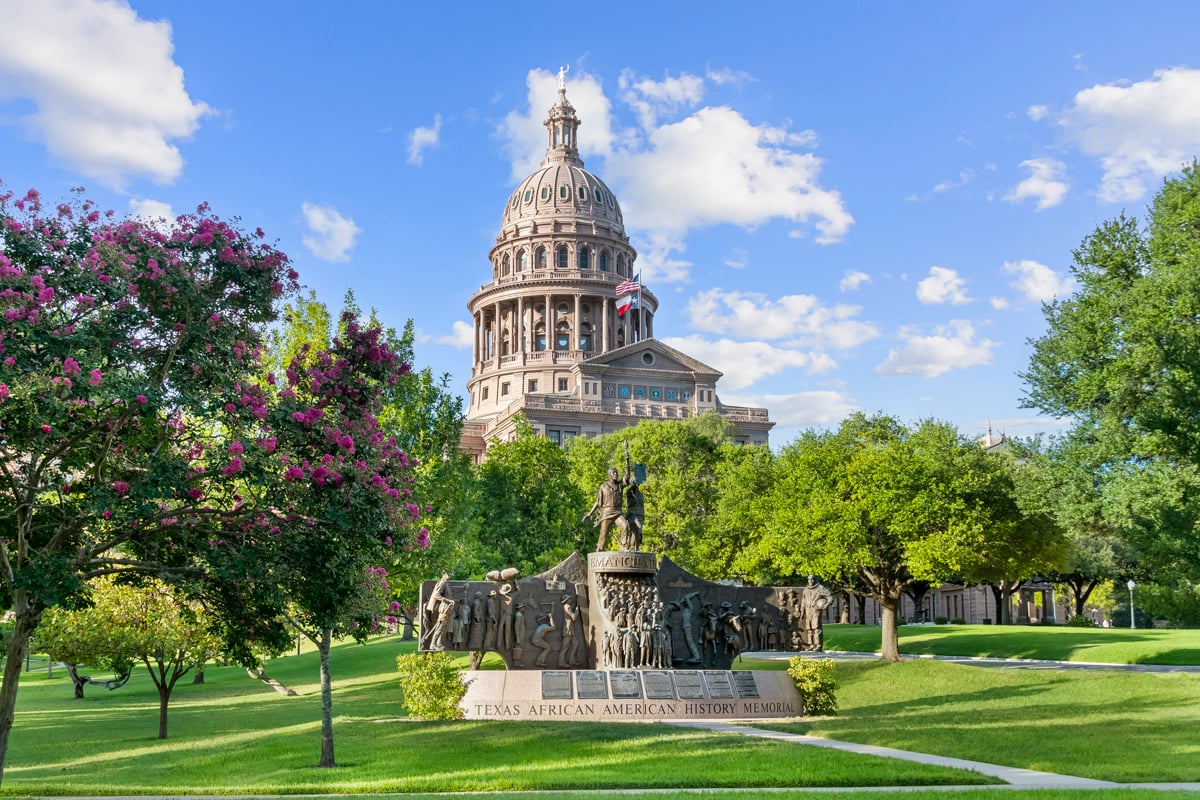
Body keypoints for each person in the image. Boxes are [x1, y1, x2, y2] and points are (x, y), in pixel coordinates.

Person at [583, 467, 629, 551]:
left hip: (618, 512)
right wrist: (590, 513)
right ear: (609, 475)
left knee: (625, 526)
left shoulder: (620, 485)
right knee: (603, 532)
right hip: (607, 512)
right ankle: (600, 548)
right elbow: (598, 502)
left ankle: (624, 546)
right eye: (613, 473)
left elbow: (627, 476)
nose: (616, 474)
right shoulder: (603, 487)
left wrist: (627, 462)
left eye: (616, 472)